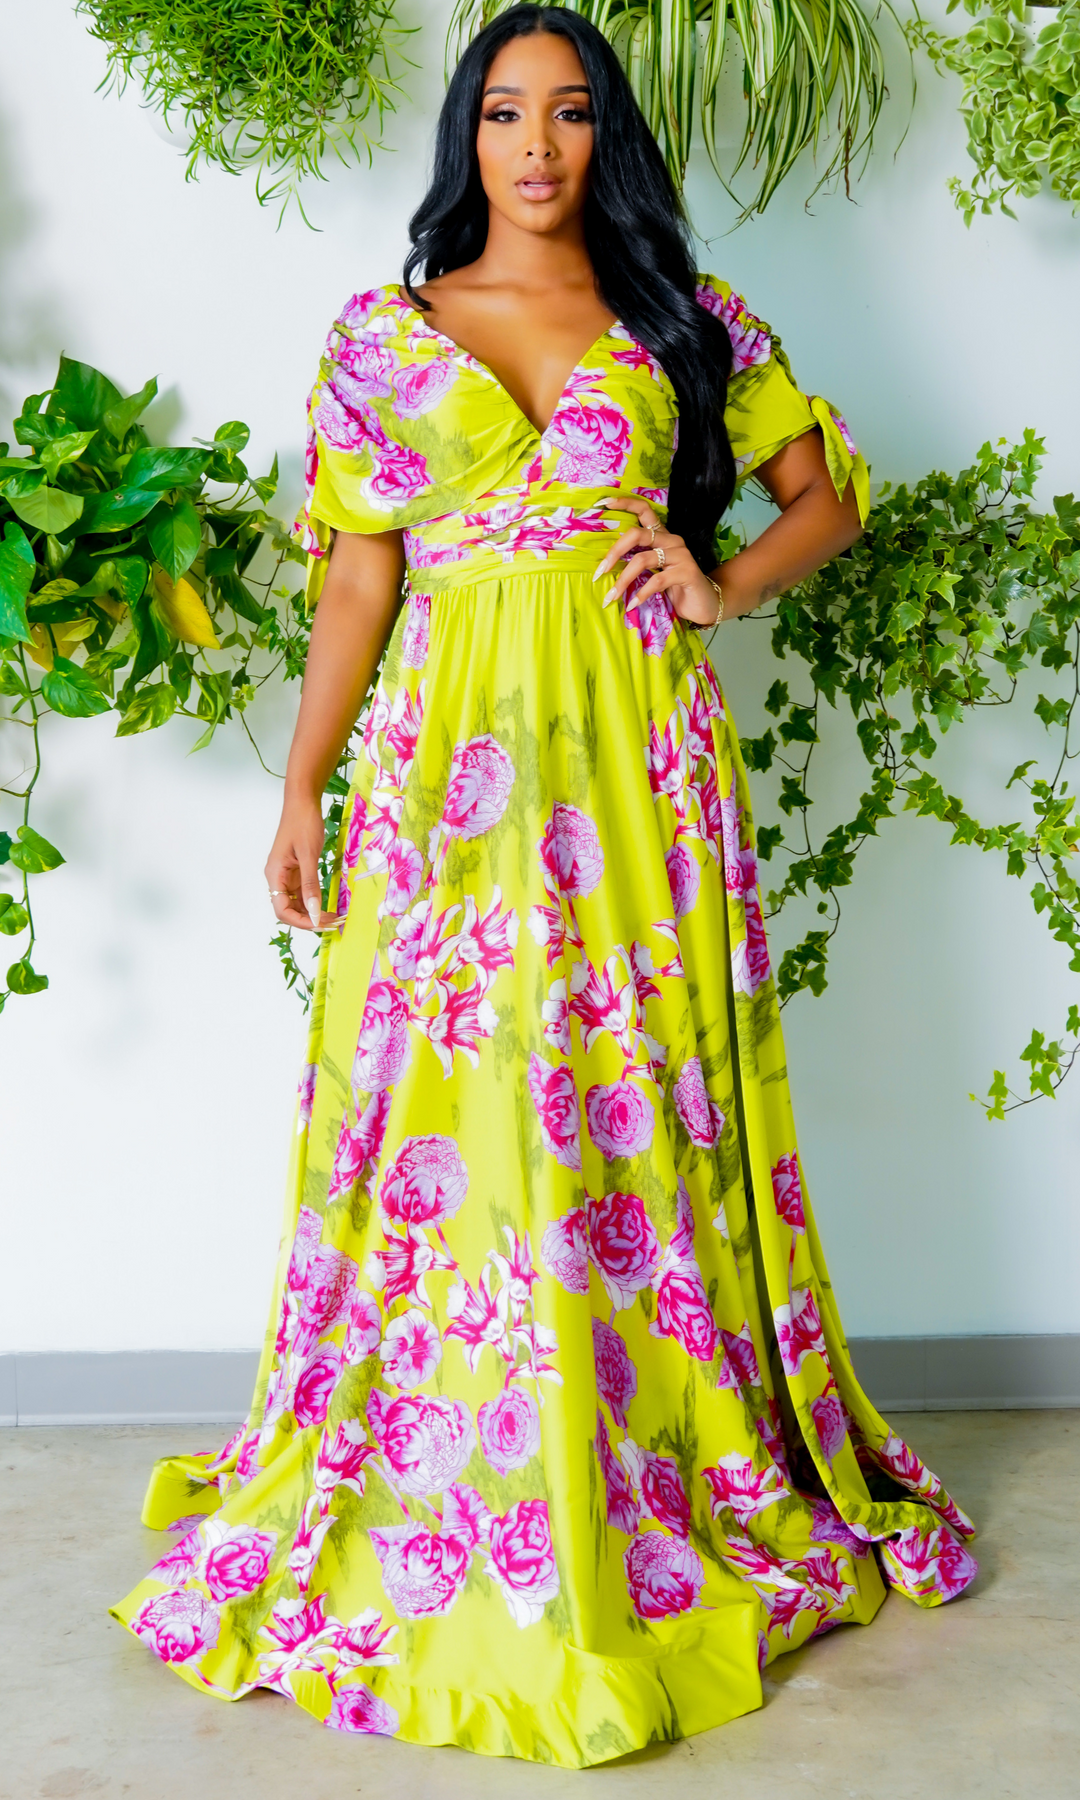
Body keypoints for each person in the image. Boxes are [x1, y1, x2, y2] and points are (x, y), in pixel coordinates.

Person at [111, 5, 976, 1766]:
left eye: (570, 113)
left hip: (635, 769)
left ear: (605, 138)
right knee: (451, 1099)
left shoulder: (681, 319)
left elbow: (822, 496)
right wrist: (303, 783)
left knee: (623, 1089)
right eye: (505, 113)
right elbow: (360, 583)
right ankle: (454, 1455)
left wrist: (726, 583)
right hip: (443, 786)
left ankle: (640, 1456)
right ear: (467, 136)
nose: (536, 145)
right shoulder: (385, 334)